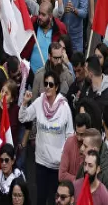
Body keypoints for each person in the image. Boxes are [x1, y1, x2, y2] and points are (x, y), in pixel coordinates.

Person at [19, 70, 74, 205]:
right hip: (41, 162)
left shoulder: (64, 107)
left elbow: (70, 134)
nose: (48, 87)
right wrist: (25, 103)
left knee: (55, 200)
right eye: (46, 84)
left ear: (56, 87)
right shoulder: (39, 102)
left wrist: (64, 157)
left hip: (57, 165)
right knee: (40, 198)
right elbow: (23, 117)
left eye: (51, 84)